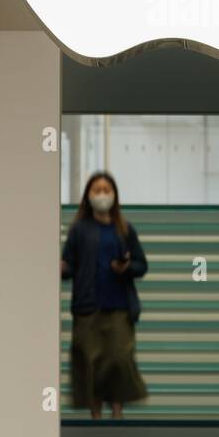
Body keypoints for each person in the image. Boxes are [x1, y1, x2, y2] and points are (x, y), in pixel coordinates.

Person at [60, 171, 149, 419]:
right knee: (91, 363)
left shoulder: (124, 229)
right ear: (88, 196)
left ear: (114, 195)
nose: (101, 195)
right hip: (88, 308)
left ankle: (117, 414)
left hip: (119, 306)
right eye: (96, 190)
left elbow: (141, 265)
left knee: (118, 361)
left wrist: (126, 268)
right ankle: (95, 417)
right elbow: (68, 266)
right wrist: (60, 267)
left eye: (106, 190)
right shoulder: (79, 230)